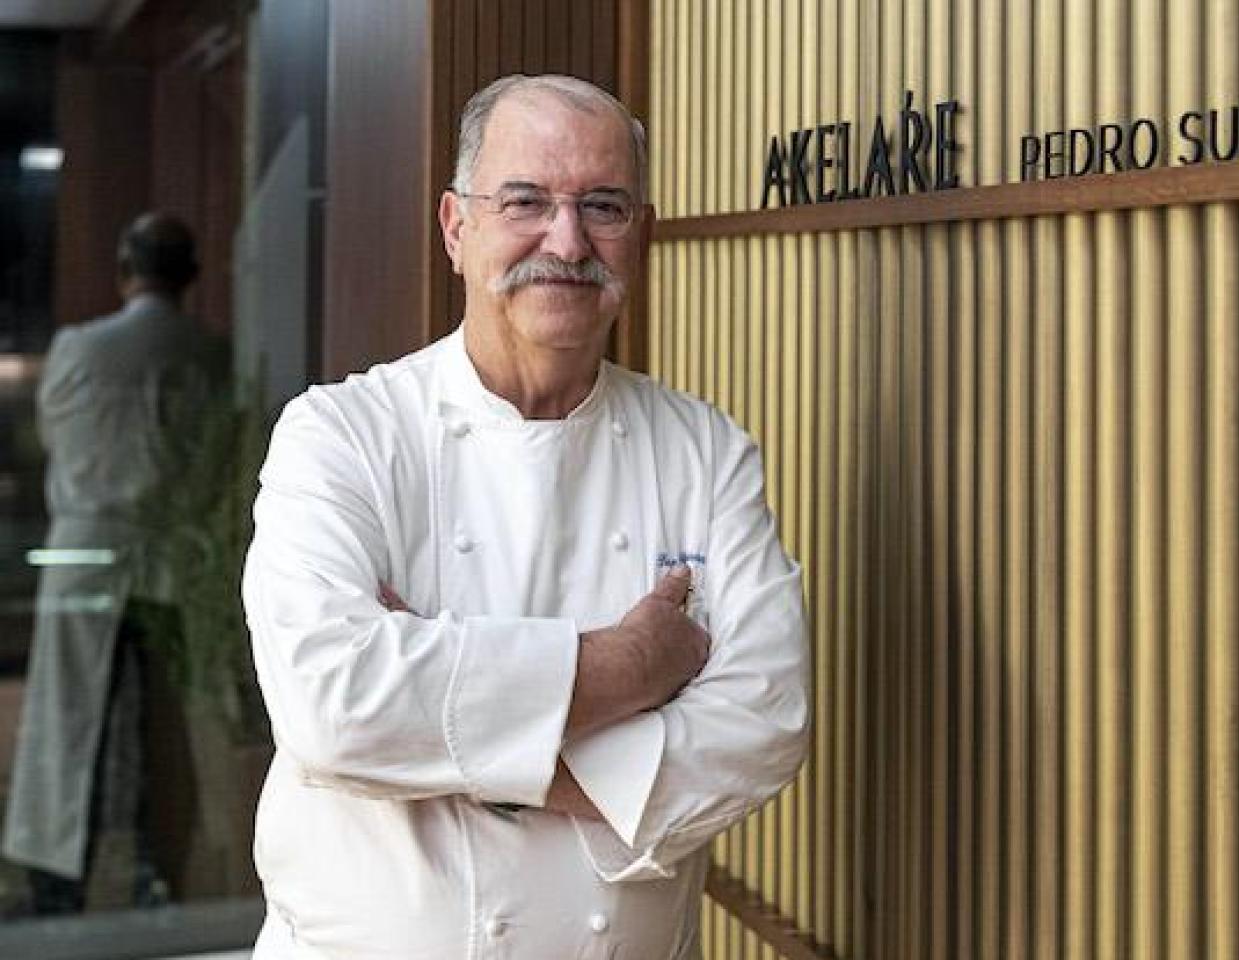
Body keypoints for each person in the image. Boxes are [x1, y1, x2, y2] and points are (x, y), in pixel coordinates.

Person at [242, 74, 809, 957]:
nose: (567, 240)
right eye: (525, 201)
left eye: (604, 206)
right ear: (455, 227)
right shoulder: (341, 435)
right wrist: (631, 667)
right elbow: (334, 708)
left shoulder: (705, 450)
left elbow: (764, 726)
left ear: (641, 233)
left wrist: (457, 737)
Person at [4, 212, 223, 911]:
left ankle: (55, 881)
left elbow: (53, 437)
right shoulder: (209, 354)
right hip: (169, 558)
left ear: (125, 270)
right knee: (164, 728)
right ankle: (163, 871)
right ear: (190, 276)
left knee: (67, 720)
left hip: (85, 552)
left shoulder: (78, 348)